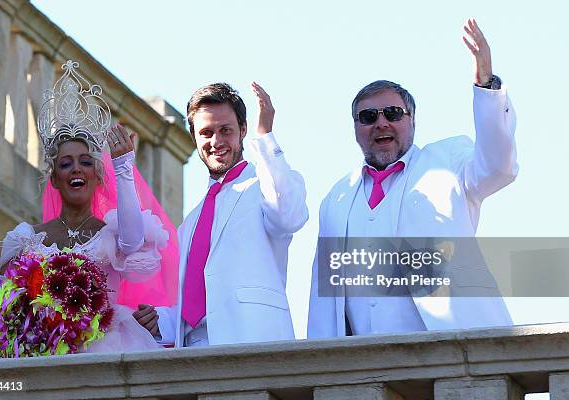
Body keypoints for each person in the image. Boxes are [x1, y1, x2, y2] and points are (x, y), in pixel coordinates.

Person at [308, 19, 517, 339]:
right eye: (368, 117)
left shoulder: (447, 161)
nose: (381, 124)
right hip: (367, 365)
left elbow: (499, 167)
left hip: (453, 347)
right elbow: (326, 297)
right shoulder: (336, 198)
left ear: (412, 120)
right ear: (355, 127)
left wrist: (486, 86)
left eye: (392, 114)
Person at [0, 60, 178, 359]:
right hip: (38, 352)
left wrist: (124, 167)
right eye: (66, 163)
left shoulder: (114, 234)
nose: (77, 168)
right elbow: (2, 306)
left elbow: (132, 241)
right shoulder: (24, 239)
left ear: (98, 176)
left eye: (86, 162)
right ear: (55, 179)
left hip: (104, 348)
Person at [136, 82, 308, 347]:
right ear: (194, 138)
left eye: (225, 130)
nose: (216, 142)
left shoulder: (267, 186)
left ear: (243, 130)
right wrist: (160, 321)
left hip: (253, 348)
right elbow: (191, 305)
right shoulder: (189, 223)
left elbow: (289, 216)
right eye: (206, 132)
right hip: (193, 357)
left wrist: (266, 136)